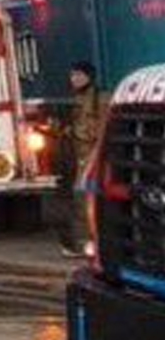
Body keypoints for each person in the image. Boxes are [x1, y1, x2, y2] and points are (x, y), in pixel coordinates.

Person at [58, 61, 107, 258]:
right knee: (81, 198)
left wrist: (76, 132)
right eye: (72, 75)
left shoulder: (99, 99)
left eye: (79, 75)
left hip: (93, 157)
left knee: (84, 198)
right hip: (80, 157)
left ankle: (86, 244)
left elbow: (102, 128)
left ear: (89, 77)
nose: (74, 79)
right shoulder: (77, 99)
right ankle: (84, 243)